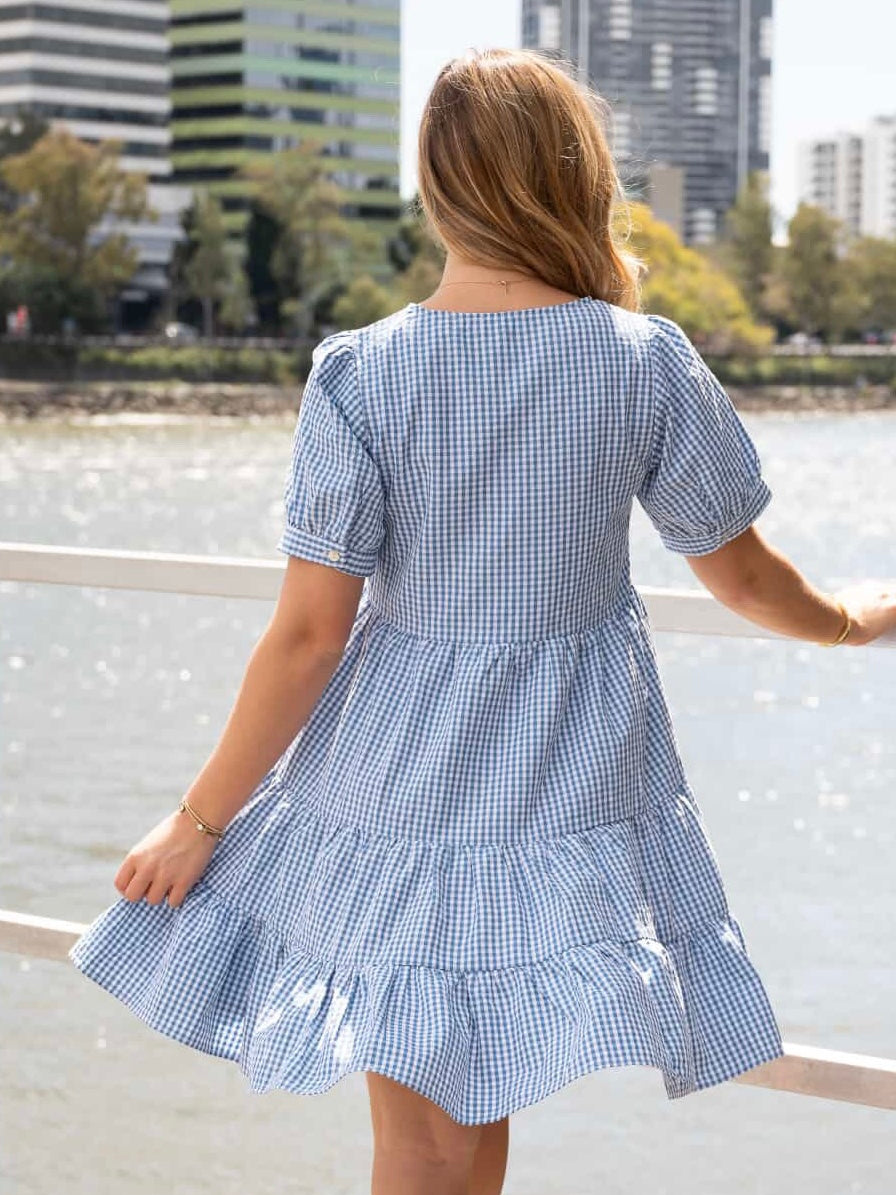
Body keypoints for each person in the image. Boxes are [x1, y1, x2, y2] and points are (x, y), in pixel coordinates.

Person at [68, 47, 896, 1195]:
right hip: (554, 775)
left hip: (397, 778)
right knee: (468, 1122)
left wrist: (200, 817)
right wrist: (851, 621)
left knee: (427, 1139)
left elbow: (309, 635)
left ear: (433, 188)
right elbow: (746, 578)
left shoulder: (361, 372)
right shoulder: (640, 358)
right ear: (575, 179)